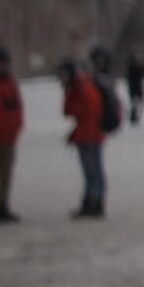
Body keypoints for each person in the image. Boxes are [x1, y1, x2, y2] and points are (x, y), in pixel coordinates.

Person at [58, 59, 106, 219]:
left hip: (90, 135)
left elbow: (85, 111)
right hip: (87, 134)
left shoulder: (83, 87)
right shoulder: (78, 87)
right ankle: (92, 202)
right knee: (92, 172)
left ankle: (94, 204)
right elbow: (67, 111)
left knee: (92, 171)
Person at [0, 48, 22, 222]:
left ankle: (2, 205)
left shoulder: (10, 84)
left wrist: (16, 128)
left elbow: (17, 109)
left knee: (6, 175)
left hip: (8, 138)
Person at [125, 54, 144, 125]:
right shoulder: (135, 68)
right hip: (137, 88)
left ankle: (133, 118)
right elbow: (143, 72)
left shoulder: (130, 69)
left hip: (133, 89)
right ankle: (134, 118)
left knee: (135, 104)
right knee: (137, 104)